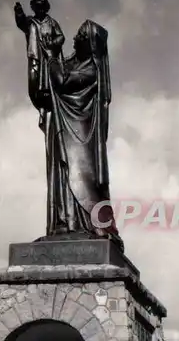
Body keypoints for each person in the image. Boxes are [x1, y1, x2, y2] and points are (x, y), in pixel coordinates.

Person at [44, 19, 122, 248]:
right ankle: (68, 225)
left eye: (80, 35)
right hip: (68, 134)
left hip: (80, 139)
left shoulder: (90, 71)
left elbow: (62, 82)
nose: (75, 38)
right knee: (67, 173)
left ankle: (86, 226)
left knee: (82, 179)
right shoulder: (77, 64)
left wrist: (51, 55)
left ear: (89, 43)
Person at [14, 0, 65, 129]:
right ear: (34, 7)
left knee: (48, 84)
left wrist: (52, 43)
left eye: (42, 6)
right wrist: (19, 12)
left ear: (45, 7)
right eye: (37, 7)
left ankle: (46, 106)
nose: (40, 9)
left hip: (49, 58)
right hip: (36, 58)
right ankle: (41, 105)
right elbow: (22, 23)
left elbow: (61, 37)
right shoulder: (31, 22)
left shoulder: (52, 22)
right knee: (33, 82)